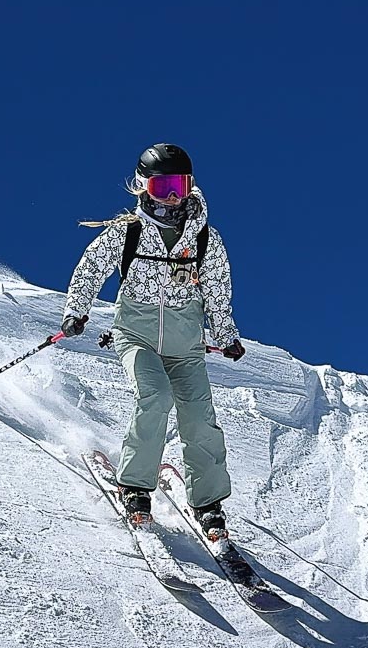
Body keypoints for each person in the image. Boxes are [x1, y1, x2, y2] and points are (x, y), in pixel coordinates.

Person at [62, 143, 246, 537]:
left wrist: (226, 335)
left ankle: (208, 503)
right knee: (155, 398)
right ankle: (135, 487)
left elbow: (217, 291)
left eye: (180, 186)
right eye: (163, 187)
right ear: (144, 186)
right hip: (137, 336)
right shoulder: (127, 232)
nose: (173, 196)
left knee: (200, 419)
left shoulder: (204, 240)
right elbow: (91, 268)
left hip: (186, 347)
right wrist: (76, 311)